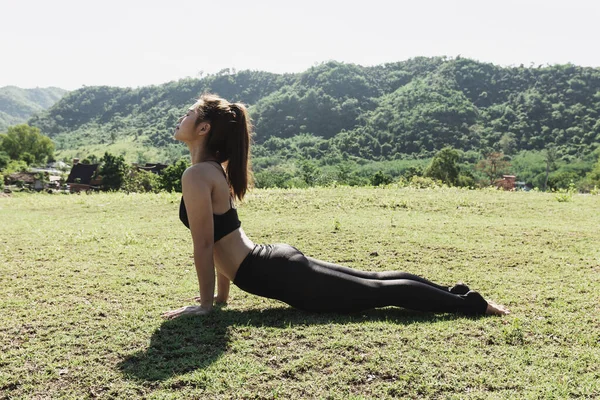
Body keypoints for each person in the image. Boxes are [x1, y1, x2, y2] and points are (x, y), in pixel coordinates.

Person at [162, 94, 510, 319]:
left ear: (204, 128)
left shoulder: (196, 175)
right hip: (272, 262)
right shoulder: (210, 172)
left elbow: (206, 245)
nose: (181, 117)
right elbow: (219, 240)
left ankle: (470, 304)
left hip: (272, 271)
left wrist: (206, 306)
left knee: (376, 292)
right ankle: (458, 294)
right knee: (375, 282)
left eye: (187, 113)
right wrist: (220, 299)